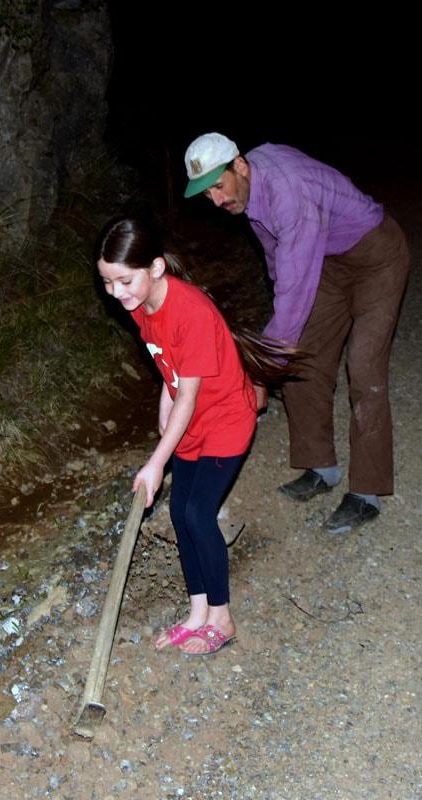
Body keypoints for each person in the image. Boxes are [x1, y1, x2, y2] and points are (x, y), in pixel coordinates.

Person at [183, 132, 410, 534]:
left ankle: (368, 493)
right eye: (206, 195)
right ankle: (321, 467)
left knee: (363, 363)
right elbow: (278, 262)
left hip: (375, 256)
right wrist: (278, 351)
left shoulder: (288, 191)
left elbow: (295, 288)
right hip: (327, 260)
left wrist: (259, 368)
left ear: (239, 166)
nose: (216, 201)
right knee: (305, 356)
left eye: (218, 187)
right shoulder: (251, 194)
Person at [96, 216, 292, 655]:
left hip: (224, 418)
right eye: (107, 283)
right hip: (193, 420)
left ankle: (222, 618)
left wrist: (156, 460)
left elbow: (189, 394)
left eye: (124, 281)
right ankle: (197, 612)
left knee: (200, 513)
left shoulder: (192, 313)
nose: (116, 293)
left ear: (157, 268)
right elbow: (171, 375)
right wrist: (163, 417)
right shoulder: (143, 309)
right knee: (180, 513)